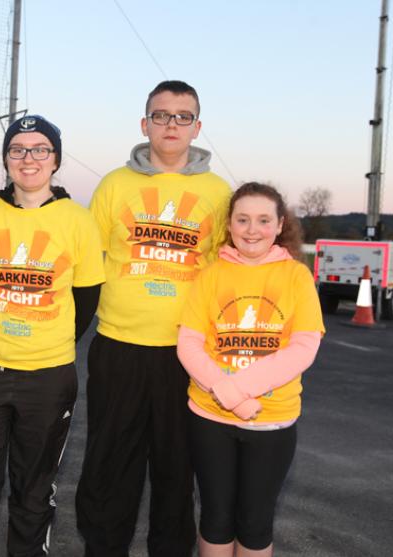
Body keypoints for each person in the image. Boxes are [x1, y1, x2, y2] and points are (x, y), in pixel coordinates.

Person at [76, 80, 232, 557]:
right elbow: (87, 263)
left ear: (197, 128)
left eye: (183, 117)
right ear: (145, 124)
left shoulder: (217, 192)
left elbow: (228, 271)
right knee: (110, 468)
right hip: (119, 346)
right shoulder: (114, 184)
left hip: (187, 353)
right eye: (161, 115)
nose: (171, 125)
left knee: (176, 470)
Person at [0, 114, 105, 556]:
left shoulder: (78, 220)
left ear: (55, 159)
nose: (28, 158)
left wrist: (44, 341)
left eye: (40, 149)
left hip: (47, 375)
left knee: (33, 490)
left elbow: (86, 301)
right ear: (6, 159)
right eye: (18, 149)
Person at [177, 182, 325, 557]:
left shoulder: (296, 276)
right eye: (242, 219)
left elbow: (303, 348)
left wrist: (235, 391)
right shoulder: (211, 275)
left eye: (263, 220)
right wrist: (229, 396)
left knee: (255, 521)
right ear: (229, 225)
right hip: (210, 418)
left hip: (272, 420)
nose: (252, 229)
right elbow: (189, 344)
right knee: (215, 518)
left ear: (280, 225)